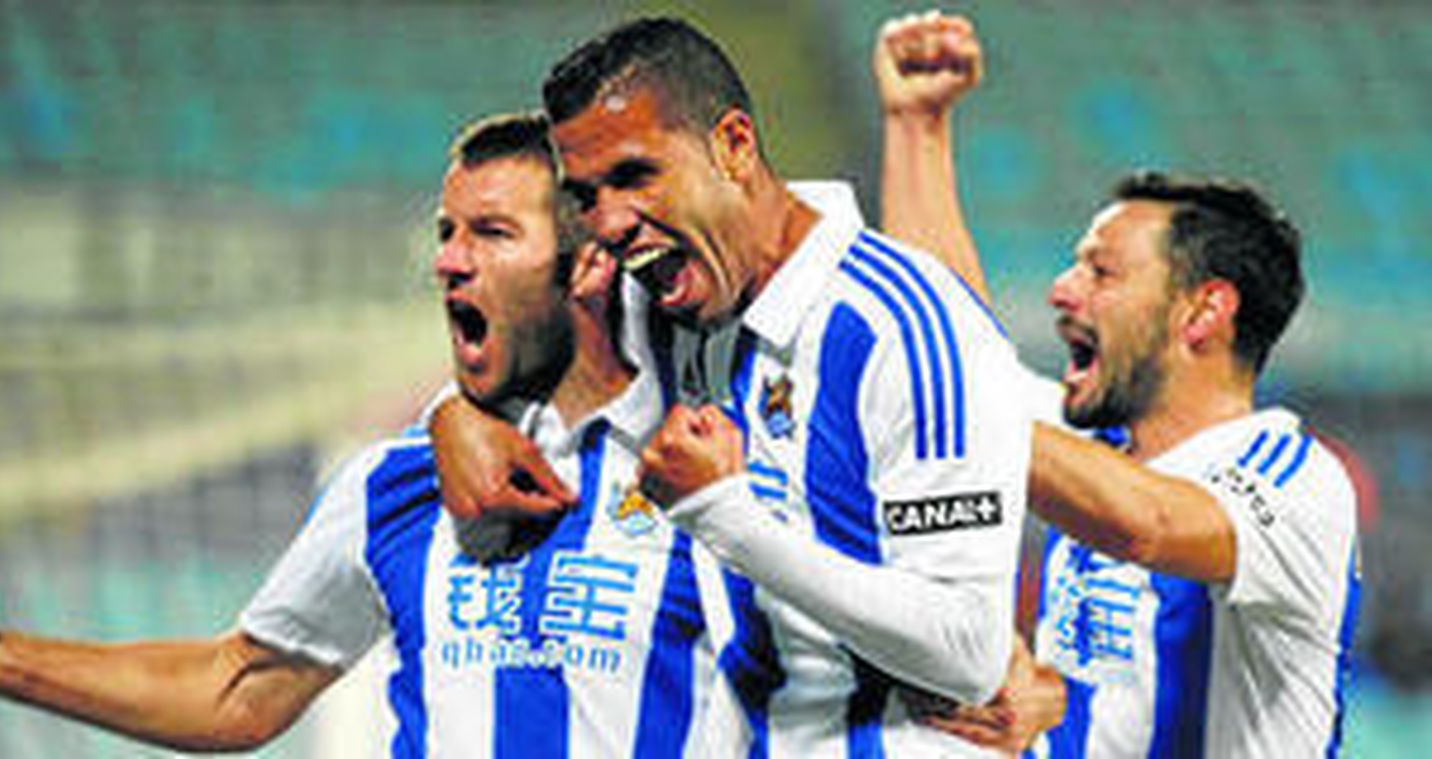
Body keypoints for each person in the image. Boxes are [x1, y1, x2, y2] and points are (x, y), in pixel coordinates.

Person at [0, 112, 728, 756]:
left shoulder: (713, 458)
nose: (448, 260)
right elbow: (240, 687)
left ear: (590, 262)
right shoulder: (397, 484)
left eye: (492, 232)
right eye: (446, 232)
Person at [434, 16, 1033, 756]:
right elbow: (522, 347)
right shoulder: (662, 300)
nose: (609, 222)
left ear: (735, 146)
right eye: (586, 195)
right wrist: (456, 418)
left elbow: (969, 652)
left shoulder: (903, 328)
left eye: (635, 175)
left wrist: (725, 514)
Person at [875, 13, 1362, 757]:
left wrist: (961, 413)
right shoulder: (1095, 449)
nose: (1061, 290)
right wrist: (917, 125)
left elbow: (1148, 524)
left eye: (1100, 272)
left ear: (1204, 312)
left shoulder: (1296, 483)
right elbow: (943, 337)